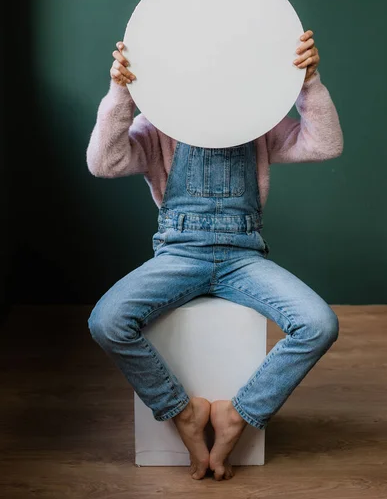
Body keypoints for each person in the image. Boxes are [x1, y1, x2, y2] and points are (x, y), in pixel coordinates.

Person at [86, 30, 343, 481]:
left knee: (319, 324)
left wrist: (309, 83)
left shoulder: (258, 122)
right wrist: (121, 93)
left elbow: (325, 144)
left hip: (244, 257)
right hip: (178, 254)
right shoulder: (157, 124)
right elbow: (103, 162)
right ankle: (181, 412)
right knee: (107, 321)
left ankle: (237, 415)